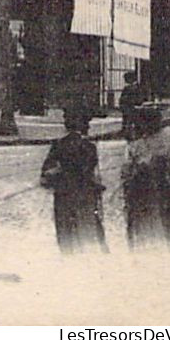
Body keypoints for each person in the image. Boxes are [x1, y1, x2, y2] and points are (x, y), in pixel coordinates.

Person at [40, 107, 108, 254]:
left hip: (63, 194)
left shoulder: (58, 145)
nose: (89, 126)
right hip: (85, 195)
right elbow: (91, 172)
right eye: (86, 123)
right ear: (81, 124)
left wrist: (58, 177)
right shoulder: (89, 147)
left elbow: (46, 173)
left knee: (65, 234)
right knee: (89, 232)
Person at [123, 104, 170, 249]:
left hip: (147, 192)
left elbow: (126, 174)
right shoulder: (164, 143)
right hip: (158, 190)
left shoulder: (134, 146)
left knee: (148, 224)